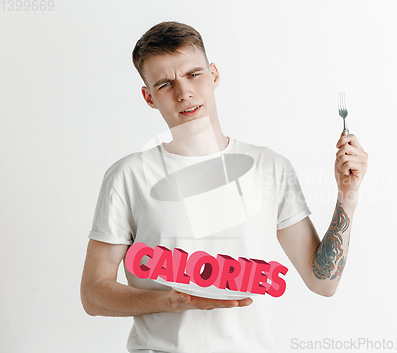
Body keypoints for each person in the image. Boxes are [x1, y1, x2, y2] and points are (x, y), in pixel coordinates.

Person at [80, 21, 368, 353]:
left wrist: (348, 194)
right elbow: (93, 294)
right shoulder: (128, 176)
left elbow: (323, 282)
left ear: (214, 74)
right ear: (149, 97)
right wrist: (169, 301)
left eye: (193, 75)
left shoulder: (269, 167)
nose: (183, 92)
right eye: (164, 84)